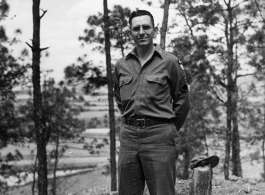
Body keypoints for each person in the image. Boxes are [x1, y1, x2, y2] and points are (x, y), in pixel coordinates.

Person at [113, 10, 190, 195]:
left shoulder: (170, 62)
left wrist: (167, 128)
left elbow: (183, 102)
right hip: (129, 138)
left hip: (160, 138)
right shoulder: (121, 65)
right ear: (130, 32)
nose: (141, 32)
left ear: (154, 30)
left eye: (146, 27)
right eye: (136, 28)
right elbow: (119, 99)